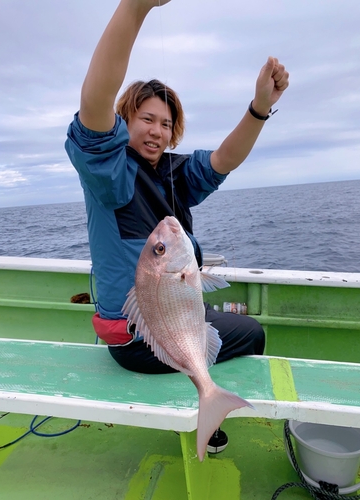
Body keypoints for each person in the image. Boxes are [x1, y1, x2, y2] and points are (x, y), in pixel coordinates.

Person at [65, 0, 289, 454]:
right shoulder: (108, 172)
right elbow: (93, 102)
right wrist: (136, 7)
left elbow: (224, 159)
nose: (157, 131)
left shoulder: (174, 175)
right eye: (146, 119)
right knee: (251, 334)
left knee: (238, 330)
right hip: (138, 339)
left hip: (171, 319)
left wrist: (259, 108)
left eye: (166, 124)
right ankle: (206, 407)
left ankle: (206, 403)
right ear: (124, 120)